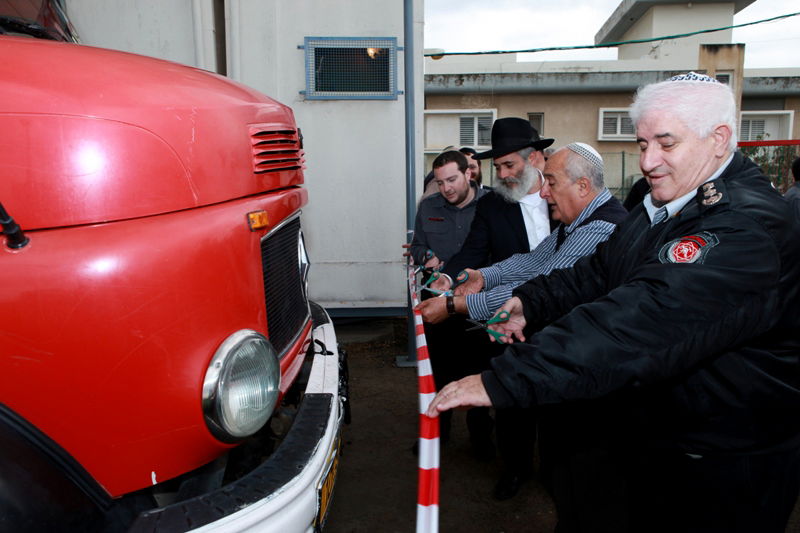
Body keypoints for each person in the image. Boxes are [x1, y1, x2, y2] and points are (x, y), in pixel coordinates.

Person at [427, 72, 800, 533]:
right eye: (643, 144)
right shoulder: (667, 205)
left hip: (724, 455)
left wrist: (508, 378)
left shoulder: (744, 227)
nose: (648, 161)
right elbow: (598, 270)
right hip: (669, 437)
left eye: (665, 143)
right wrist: (528, 302)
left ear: (718, 139)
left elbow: (640, 320)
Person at [423, 118, 556, 500]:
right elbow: (472, 252)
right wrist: (448, 280)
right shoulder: (494, 205)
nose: (503, 174)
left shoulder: (563, 197)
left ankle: (553, 469)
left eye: (509, 165)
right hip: (505, 316)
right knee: (512, 396)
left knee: (556, 398)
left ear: (536, 159)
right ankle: (515, 468)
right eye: (497, 167)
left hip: (559, 315)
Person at [416, 142, 627, 323]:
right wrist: (483, 276)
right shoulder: (577, 221)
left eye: (551, 183)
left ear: (582, 186)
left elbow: (542, 285)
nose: (544, 193)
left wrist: (456, 304)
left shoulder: (599, 228)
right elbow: (535, 261)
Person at [408, 150, 485, 270]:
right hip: (437, 285)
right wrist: (427, 256)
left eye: (451, 180)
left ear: (467, 174)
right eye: (440, 183)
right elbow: (417, 246)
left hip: (486, 287)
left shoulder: (492, 204)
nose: (446, 188)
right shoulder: (428, 207)